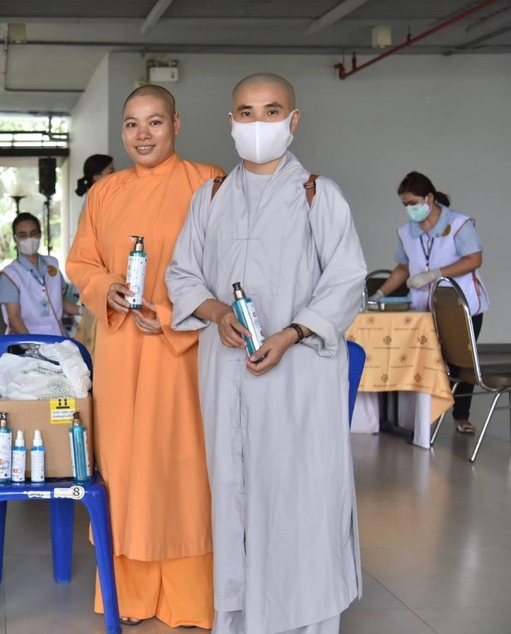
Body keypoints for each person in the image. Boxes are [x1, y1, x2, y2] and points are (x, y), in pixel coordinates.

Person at [166, 73, 365, 634]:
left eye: (271, 111)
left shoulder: (319, 195)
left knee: (298, 491)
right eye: (247, 113)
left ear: (293, 121)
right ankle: (240, 617)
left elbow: (347, 281)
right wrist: (216, 314)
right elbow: (182, 274)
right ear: (232, 123)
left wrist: (292, 334)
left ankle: (305, 618)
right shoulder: (211, 198)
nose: (259, 125)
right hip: (223, 370)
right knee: (232, 492)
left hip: (297, 376)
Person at [67, 84, 224, 629]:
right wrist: (106, 286)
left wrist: (169, 311)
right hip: (119, 348)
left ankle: (188, 598)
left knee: (183, 470)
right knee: (125, 468)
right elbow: (81, 262)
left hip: (184, 350)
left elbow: (230, 266)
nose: (142, 135)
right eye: (132, 124)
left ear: (176, 124)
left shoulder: (209, 183)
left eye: (154, 122)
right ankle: (126, 595)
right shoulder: (105, 193)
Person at [371, 171, 488, 435]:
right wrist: (379, 294)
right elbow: (403, 268)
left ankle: (461, 416)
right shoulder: (406, 232)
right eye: (405, 205)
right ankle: (420, 417)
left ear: (429, 198)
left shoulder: (458, 224)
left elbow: (474, 259)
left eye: (413, 203)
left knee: (461, 361)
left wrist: (436, 273)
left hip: (460, 305)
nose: (409, 209)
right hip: (423, 307)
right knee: (423, 357)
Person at [0, 212, 80, 335]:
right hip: (25, 340)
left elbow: (60, 302)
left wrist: (85, 312)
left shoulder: (52, 264)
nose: (29, 239)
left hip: (57, 336)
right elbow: (14, 317)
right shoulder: (10, 275)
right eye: (23, 235)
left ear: (40, 235)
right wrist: (32, 346)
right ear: (15, 239)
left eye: (33, 233)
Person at [73, 154, 115, 355]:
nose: (115, 176)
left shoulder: (99, 198)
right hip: (98, 279)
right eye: (111, 172)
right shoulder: (94, 201)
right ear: (97, 177)